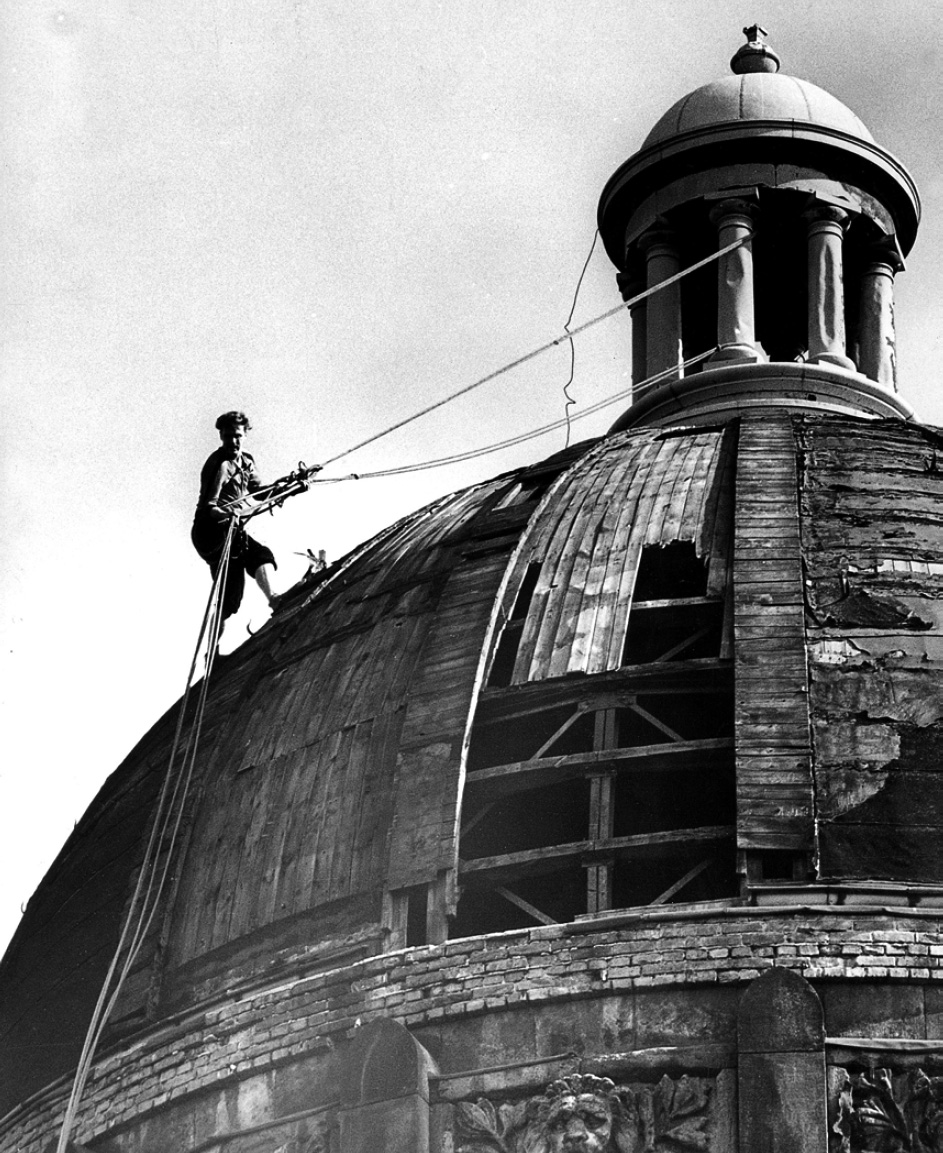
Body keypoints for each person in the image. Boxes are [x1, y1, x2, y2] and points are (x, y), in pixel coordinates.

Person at [191, 411, 281, 620]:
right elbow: (209, 507)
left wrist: (287, 486)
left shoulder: (247, 461)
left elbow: (259, 492)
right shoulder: (219, 465)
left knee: (232, 597)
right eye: (228, 436)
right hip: (211, 531)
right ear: (221, 436)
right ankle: (214, 649)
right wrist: (227, 513)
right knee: (254, 560)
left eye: (237, 436)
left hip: (231, 528)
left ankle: (274, 598)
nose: (233, 441)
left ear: (245, 435)